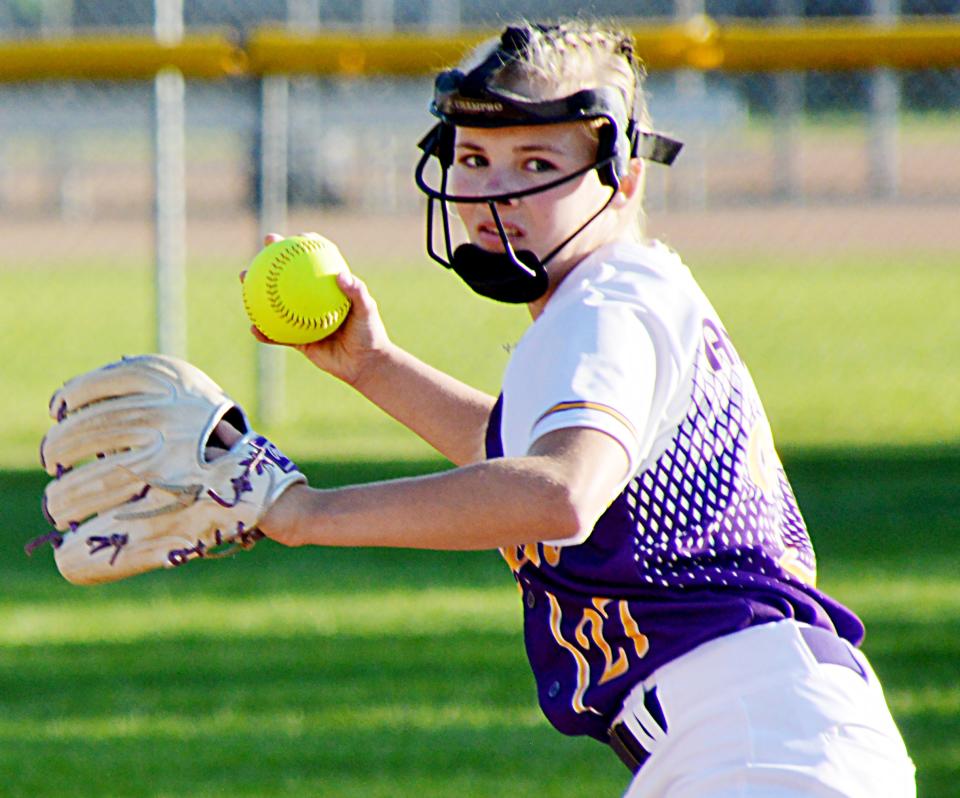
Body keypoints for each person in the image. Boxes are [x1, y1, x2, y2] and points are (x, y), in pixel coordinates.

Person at [247, 21, 916, 797]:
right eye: (474, 159)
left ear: (622, 180)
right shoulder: (608, 297)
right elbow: (516, 460)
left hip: (755, 740)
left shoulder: (606, 302)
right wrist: (373, 367)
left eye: (536, 162)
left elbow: (558, 494)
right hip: (761, 732)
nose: (495, 192)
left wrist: (303, 514)